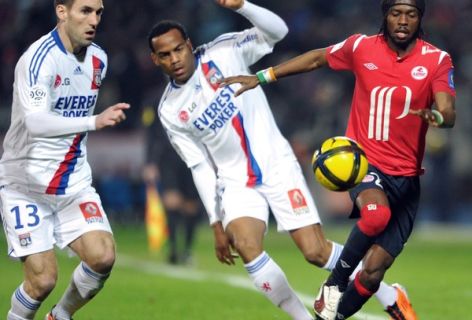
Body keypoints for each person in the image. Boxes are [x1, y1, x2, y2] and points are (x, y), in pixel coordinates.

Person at [148, 1, 418, 319]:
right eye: (165, 55)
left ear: (189, 45)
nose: (175, 59)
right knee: (247, 246)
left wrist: (243, 6)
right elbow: (198, 165)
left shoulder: (224, 52)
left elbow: (278, 31)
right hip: (235, 182)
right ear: (156, 60)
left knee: (316, 252)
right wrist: (216, 221)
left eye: (179, 49)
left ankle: (389, 293)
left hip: (277, 164)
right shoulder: (169, 110)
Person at [221, 0, 456, 319]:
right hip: (364, 164)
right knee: (375, 217)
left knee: (373, 273)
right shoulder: (360, 47)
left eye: (411, 14)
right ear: (385, 16)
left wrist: (438, 118)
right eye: (396, 13)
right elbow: (318, 58)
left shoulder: (437, 60)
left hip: (407, 179)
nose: (403, 21)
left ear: (420, 18)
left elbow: (448, 110)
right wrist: (262, 77)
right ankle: (333, 284)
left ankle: (336, 314)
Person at [0, 0, 130, 319]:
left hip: (73, 182)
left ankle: (60, 316)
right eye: (85, 10)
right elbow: (36, 122)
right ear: (62, 12)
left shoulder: (99, 58)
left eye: (98, 12)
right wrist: (92, 121)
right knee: (42, 281)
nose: (94, 19)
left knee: (102, 256)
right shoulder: (38, 59)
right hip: (25, 184)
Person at [142, 107, 202, 265]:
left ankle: (187, 250)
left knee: (191, 205)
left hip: (192, 157)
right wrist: (150, 162)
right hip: (168, 158)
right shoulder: (155, 100)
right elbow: (150, 134)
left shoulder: (196, 93)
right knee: (172, 201)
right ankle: (174, 250)